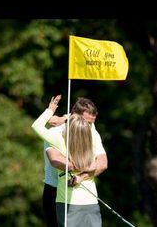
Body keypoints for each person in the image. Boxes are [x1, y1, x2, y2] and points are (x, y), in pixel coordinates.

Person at [32, 96, 106, 227]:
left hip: (81, 194)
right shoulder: (56, 133)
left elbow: (102, 164)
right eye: (87, 122)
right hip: (54, 190)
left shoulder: (92, 133)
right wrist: (82, 165)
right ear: (75, 117)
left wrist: (82, 176)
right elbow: (56, 160)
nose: (89, 126)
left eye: (92, 123)